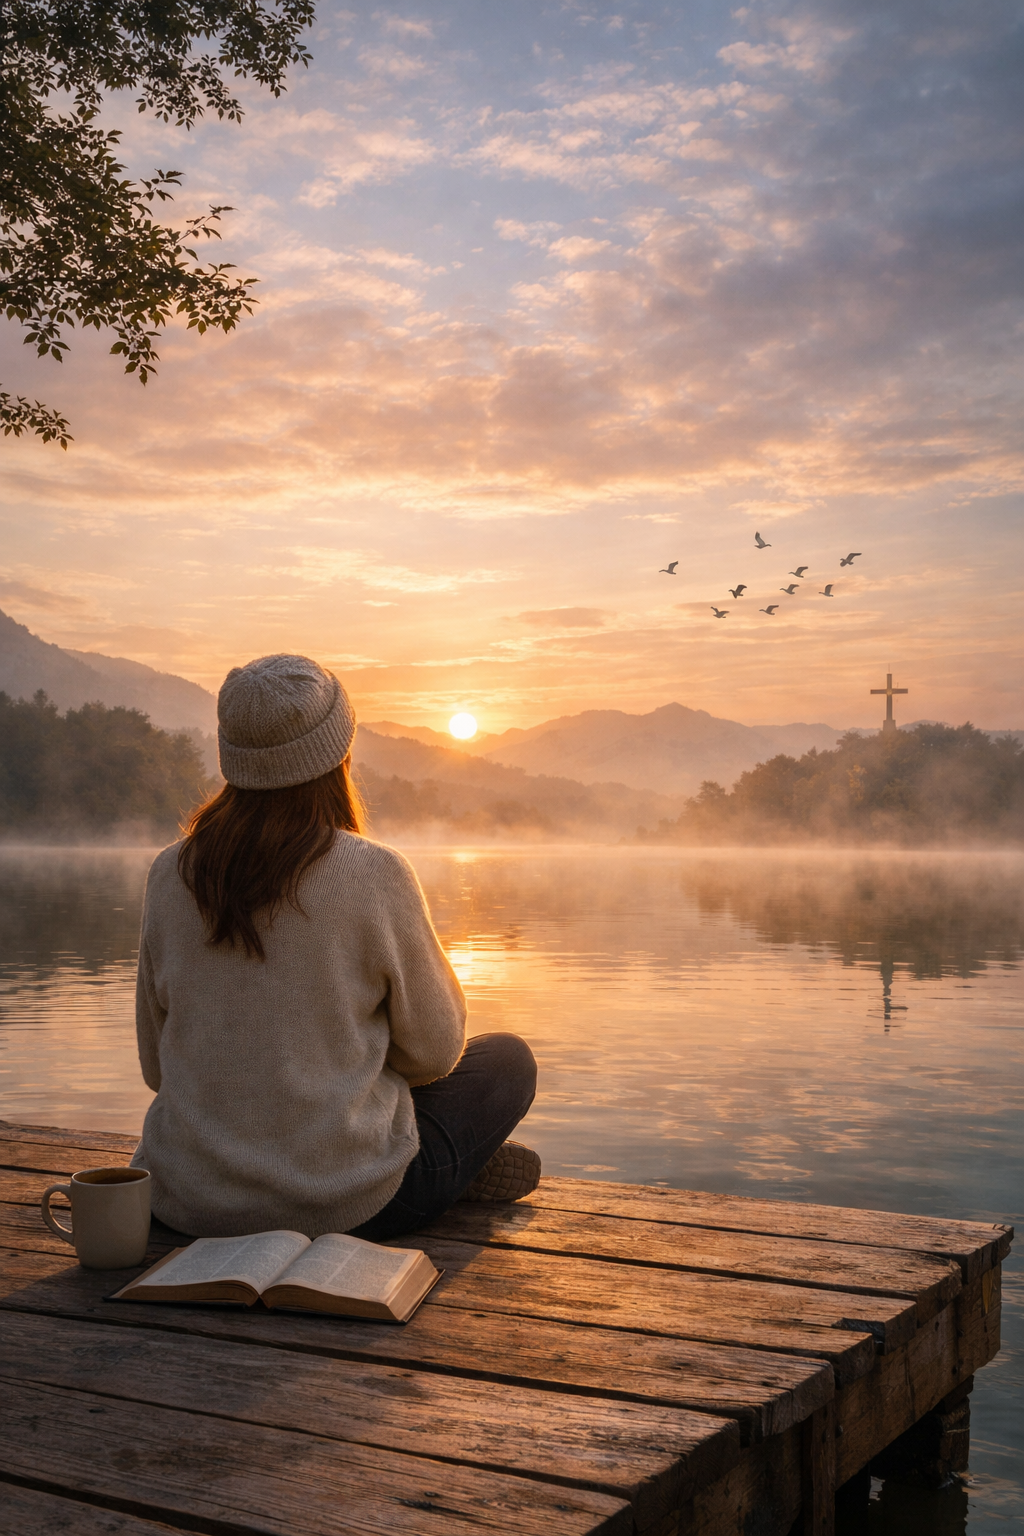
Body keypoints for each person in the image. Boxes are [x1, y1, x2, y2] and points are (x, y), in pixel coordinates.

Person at [130, 653, 539, 1240]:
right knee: (506, 1060)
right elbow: (436, 1052)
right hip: (352, 1206)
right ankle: (447, 1169)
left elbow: (154, 1065)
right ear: (338, 756)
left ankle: (443, 1165)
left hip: (187, 1201)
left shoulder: (169, 873)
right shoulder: (374, 874)